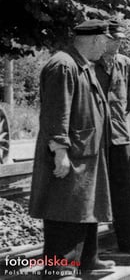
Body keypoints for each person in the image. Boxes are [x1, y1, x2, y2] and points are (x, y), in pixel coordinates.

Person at [29, 19, 115, 276]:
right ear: (96, 40)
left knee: (84, 210)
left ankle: (88, 260)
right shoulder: (64, 66)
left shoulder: (81, 65)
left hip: (84, 153)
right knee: (66, 212)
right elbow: (57, 112)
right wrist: (60, 151)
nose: (107, 47)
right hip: (72, 154)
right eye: (105, 42)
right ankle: (60, 271)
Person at [94, 19, 130, 255]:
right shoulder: (89, 64)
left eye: (119, 40)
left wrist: (116, 122)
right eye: (112, 39)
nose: (117, 44)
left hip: (119, 135)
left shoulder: (126, 64)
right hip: (94, 138)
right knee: (93, 193)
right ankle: (89, 252)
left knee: (125, 191)